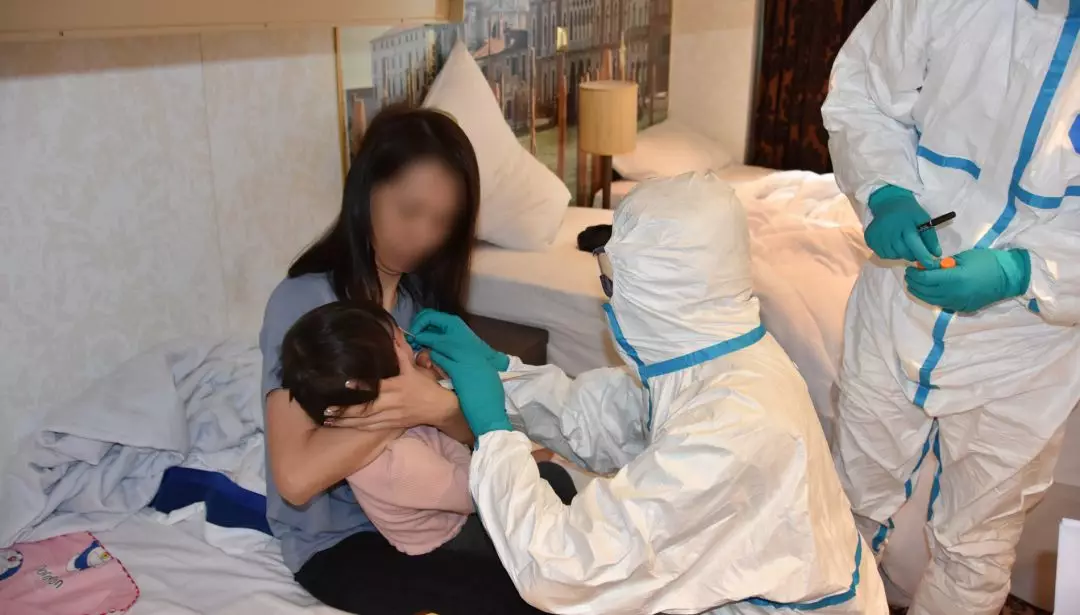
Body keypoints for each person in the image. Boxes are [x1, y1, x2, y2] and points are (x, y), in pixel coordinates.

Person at [412, 173, 889, 615]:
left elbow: (565, 568)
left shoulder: (732, 428)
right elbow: (599, 419)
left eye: (612, 279)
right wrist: (500, 372)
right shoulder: (716, 362)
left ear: (652, 292)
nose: (608, 294)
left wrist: (494, 433)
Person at [820, 2, 1080, 614]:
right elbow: (862, 93)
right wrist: (884, 190)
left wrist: (1023, 271)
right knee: (845, 501)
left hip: (1027, 346)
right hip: (897, 301)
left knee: (976, 546)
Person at [259, 105, 559, 615]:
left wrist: (439, 408)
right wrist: (406, 406)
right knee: (531, 590)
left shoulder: (420, 303)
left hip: (434, 504)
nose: (421, 235)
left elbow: (465, 428)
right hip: (343, 542)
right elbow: (296, 477)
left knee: (558, 498)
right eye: (408, 209)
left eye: (441, 221)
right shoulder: (306, 305)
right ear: (366, 189)